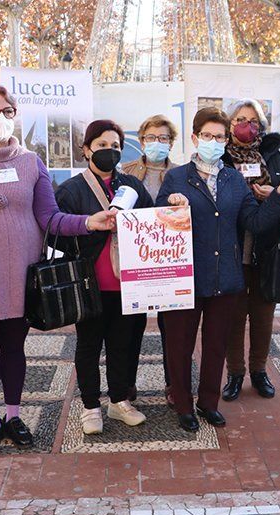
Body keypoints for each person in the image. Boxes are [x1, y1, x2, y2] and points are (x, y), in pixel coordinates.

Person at [0, 83, 116, 456]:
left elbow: (50, 217)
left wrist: (88, 223)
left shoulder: (31, 162)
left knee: (14, 348)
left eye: (7, 111)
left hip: (21, 275)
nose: (0, 118)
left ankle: (14, 416)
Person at [156, 107, 280, 432]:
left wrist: (279, 198)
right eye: (207, 136)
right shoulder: (176, 177)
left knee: (216, 344)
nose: (213, 142)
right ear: (194, 137)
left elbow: (253, 222)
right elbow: (156, 220)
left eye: (219, 137)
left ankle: (208, 402)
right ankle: (184, 405)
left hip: (226, 277)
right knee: (179, 344)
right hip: (186, 278)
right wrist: (170, 206)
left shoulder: (233, 178)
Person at [54, 120, 153, 435]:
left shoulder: (132, 186)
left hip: (126, 284)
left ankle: (119, 400)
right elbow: (57, 231)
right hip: (89, 284)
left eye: (115, 147)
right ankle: (90, 406)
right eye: (101, 146)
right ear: (86, 150)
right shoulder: (71, 190)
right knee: (88, 346)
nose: (109, 152)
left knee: (122, 344)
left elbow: (152, 223)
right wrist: (92, 227)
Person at [221, 98, 280, 401]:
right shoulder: (220, 157)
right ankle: (235, 373)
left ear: (260, 126)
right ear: (229, 124)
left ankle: (259, 371)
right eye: (239, 119)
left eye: (252, 120)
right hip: (231, 248)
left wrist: (274, 195)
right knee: (233, 317)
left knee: (263, 315)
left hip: (266, 249)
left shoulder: (273, 155)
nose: (246, 125)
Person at [121, 115, 180, 406]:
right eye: (151, 138)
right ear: (142, 140)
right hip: (136, 260)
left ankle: (174, 385)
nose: (157, 143)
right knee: (131, 328)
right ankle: (126, 385)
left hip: (170, 260)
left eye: (164, 138)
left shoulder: (182, 174)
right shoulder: (126, 171)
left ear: (172, 142)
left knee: (173, 328)